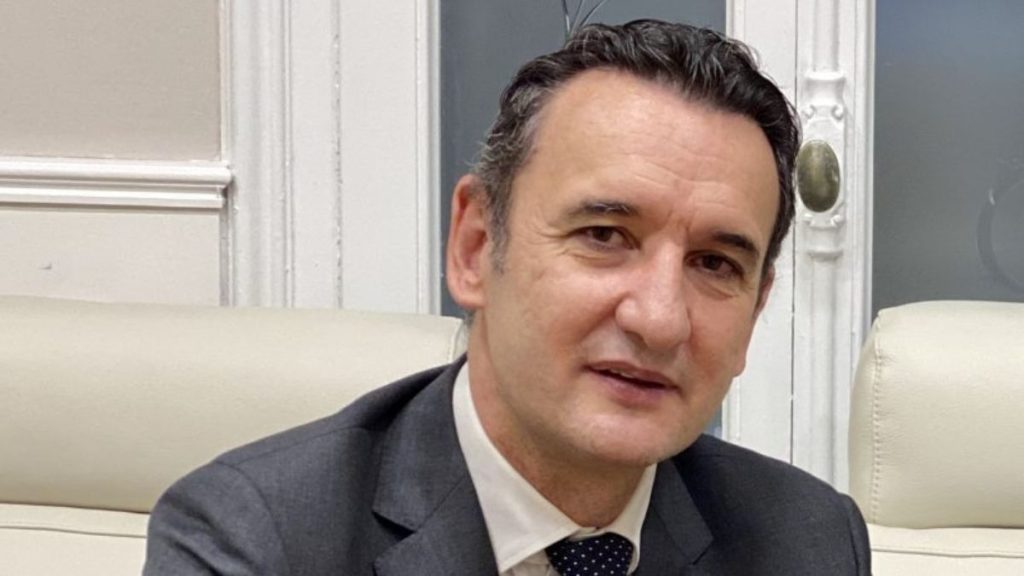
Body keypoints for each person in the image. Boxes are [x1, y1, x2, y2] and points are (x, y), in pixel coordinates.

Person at [145, 20, 870, 575]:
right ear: (474, 247)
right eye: (604, 236)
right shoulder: (257, 539)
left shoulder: (806, 541)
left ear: (755, 309)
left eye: (714, 263)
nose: (658, 318)